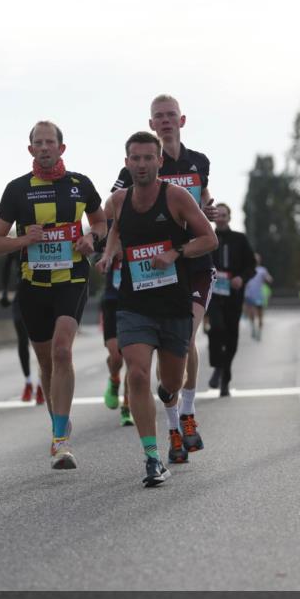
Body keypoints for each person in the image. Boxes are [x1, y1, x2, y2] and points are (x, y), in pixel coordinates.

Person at [100, 131, 217, 485]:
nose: (141, 164)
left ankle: (174, 412)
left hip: (173, 303)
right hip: (134, 302)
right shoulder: (117, 201)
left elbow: (208, 237)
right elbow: (115, 232)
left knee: (170, 383)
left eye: (148, 158)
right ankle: (151, 458)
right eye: (135, 158)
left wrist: (176, 253)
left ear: (159, 162)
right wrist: (107, 253)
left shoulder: (177, 197)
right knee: (136, 373)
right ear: (127, 163)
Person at [0, 121, 106, 470]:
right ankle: (58, 421)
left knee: (61, 350)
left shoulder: (80, 185)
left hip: (71, 277)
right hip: (33, 285)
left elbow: (101, 224)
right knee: (45, 362)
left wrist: (92, 239)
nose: (44, 148)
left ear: (61, 148)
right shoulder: (17, 190)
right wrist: (25, 240)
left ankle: (61, 440)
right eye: (37, 143)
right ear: (30, 150)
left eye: (49, 142)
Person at [207, 203, 256, 396]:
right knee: (216, 329)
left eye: (224, 214)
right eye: (217, 214)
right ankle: (218, 366)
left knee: (231, 336)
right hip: (213, 292)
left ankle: (225, 377)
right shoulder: (206, 237)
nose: (220, 217)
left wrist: (241, 278)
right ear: (213, 217)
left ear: (229, 217)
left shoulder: (240, 239)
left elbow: (251, 265)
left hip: (234, 294)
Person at [101, 197, 133, 426]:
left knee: (133, 359)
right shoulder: (109, 236)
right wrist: (109, 255)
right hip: (112, 302)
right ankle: (114, 379)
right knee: (116, 355)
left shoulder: (139, 232)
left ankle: (127, 407)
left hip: (134, 303)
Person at [0, 252, 44, 404]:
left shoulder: (46, 234)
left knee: (43, 341)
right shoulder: (19, 240)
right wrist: (4, 291)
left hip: (44, 292)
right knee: (22, 340)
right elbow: (7, 265)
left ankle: (41, 385)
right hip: (22, 294)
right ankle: (27, 382)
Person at [244, 255, 273, 340]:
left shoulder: (262, 270)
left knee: (260, 315)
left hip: (259, 296)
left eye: (257, 259)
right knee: (251, 314)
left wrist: (267, 279)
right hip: (249, 295)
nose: (256, 261)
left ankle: (259, 332)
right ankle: (253, 328)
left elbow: (269, 279)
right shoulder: (248, 269)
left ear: (259, 261)